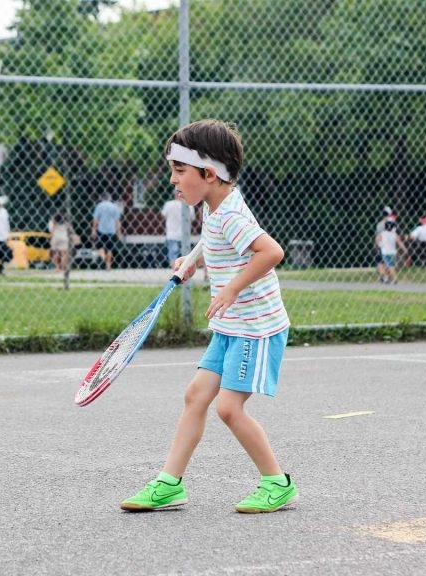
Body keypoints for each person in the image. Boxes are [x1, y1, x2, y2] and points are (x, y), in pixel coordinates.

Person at [120, 119, 296, 514]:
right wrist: (193, 260)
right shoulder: (216, 207)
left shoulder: (230, 215)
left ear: (209, 174)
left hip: (255, 328)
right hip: (231, 326)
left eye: (179, 170)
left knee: (228, 408)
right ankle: (169, 484)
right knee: (196, 395)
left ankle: (277, 483)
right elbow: (214, 240)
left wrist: (231, 288)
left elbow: (271, 252)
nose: (173, 180)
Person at [161, 188, 195, 266]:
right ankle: (185, 271)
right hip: (185, 235)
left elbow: (163, 215)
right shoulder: (189, 205)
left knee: (173, 256)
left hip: (172, 234)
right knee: (186, 256)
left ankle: (175, 271)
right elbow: (192, 218)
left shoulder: (169, 204)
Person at [91, 192, 122, 270]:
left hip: (101, 230)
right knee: (110, 249)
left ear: (101, 198)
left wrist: (93, 229)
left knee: (99, 247)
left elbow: (95, 219)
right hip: (111, 230)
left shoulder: (99, 206)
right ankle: (108, 265)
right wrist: (119, 232)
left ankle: (104, 258)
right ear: (109, 198)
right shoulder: (114, 207)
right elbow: (117, 221)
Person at [376, 216, 406, 284]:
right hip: (393, 252)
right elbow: (399, 242)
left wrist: (380, 245)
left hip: (385, 252)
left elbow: (377, 240)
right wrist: (404, 249)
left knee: (389, 266)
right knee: (390, 265)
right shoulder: (394, 234)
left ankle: (393, 278)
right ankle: (388, 278)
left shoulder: (382, 233)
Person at [374, 206, 393, 282]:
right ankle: (388, 277)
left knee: (380, 262)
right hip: (389, 245)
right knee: (388, 262)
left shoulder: (379, 224)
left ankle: (383, 277)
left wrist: (376, 244)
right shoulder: (392, 224)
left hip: (381, 245)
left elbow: (377, 236)